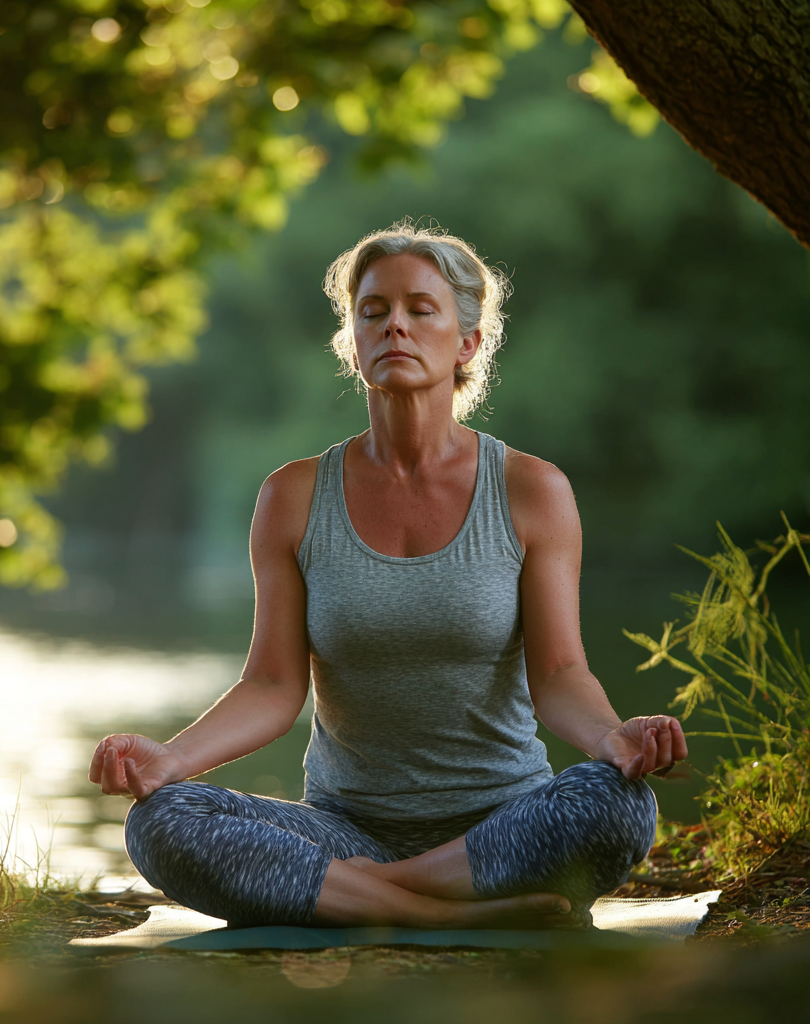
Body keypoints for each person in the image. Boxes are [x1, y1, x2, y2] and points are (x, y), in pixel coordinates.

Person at [88, 221, 687, 931]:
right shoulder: (294, 496)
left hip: (505, 826)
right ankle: (444, 913)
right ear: (353, 344)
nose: (394, 325)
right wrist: (172, 758)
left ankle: (355, 894)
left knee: (618, 803)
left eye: (419, 309)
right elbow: (274, 686)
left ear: (467, 342)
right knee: (163, 818)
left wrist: (611, 738)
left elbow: (558, 673)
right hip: (346, 829)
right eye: (372, 312)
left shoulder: (531, 489)